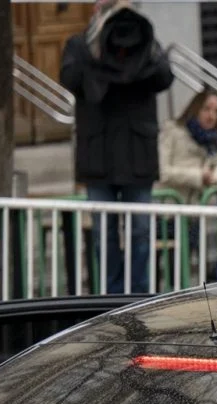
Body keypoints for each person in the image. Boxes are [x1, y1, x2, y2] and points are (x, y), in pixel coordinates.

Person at [60, 0, 173, 294]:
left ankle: (139, 294)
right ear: (96, 9)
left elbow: (165, 76)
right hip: (98, 157)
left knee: (141, 230)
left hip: (138, 156)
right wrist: (96, 46)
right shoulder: (79, 44)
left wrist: (144, 46)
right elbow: (69, 78)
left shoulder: (143, 40)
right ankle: (110, 296)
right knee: (103, 233)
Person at [161, 88, 217, 203]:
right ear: (196, 108)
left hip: (201, 206)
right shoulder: (173, 131)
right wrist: (198, 176)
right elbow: (163, 172)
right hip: (173, 206)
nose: (211, 116)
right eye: (206, 109)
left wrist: (214, 176)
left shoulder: (213, 140)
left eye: (216, 111)